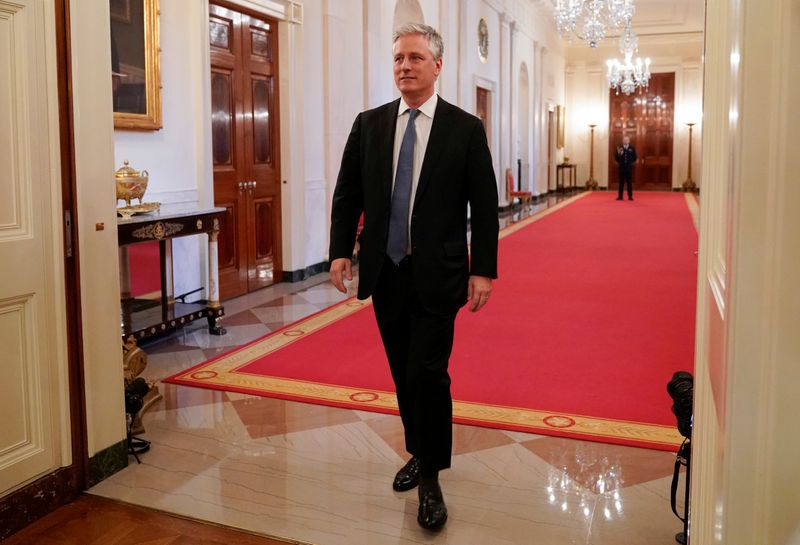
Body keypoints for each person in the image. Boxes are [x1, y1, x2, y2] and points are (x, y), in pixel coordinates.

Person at [328, 23, 499, 531]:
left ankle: (431, 478)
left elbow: (484, 206)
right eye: (399, 58)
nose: (405, 65)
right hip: (386, 272)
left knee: (429, 373)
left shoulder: (464, 129)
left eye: (416, 58)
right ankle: (419, 451)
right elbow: (347, 194)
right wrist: (341, 252)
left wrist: (483, 269)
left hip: (439, 275)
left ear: (437, 66)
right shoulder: (370, 124)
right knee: (404, 373)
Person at [615, 135, 637, 200]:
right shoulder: (620, 148)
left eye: (627, 140)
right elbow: (616, 157)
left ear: (629, 141)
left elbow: (635, 157)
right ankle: (620, 196)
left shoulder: (632, 148)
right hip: (621, 168)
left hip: (629, 169)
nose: (625, 141)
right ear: (622, 141)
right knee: (621, 183)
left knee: (629, 183)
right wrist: (621, 162)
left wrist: (629, 163)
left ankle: (630, 196)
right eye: (624, 140)